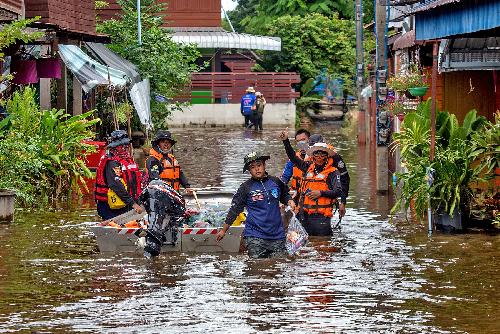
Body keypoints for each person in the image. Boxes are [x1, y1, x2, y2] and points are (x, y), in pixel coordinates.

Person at [216, 151, 296, 258]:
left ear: (264, 165)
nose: (257, 169)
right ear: (249, 171)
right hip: (255, 236)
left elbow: (285, 194)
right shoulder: (245, 188)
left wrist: (289, 201)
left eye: (259, 165)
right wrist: (223, 230)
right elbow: (235, 209)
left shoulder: (276, 182)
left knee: (278, 266)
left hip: (277, 235)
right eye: (253, 167)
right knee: (256, 268)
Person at [280, 128, 344, 236]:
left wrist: (321, 193)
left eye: (322, 154)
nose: (319, 157)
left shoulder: (333, 172)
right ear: (312, 155)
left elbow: (338, 191)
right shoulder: (307, 167)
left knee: (323, 246)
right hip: (304, 215)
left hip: (321, 218)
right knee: (304, 247)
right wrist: (286, 141)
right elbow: (293, 157)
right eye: (316, 154)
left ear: (327, 155)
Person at [94, 130, 144, 220]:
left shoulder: (127, 160)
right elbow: (115, 185)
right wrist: (133, 203)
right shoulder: (112, 162)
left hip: (125, 203)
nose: (125, 148)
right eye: (122, 145)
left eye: (126, 145)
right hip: (111, 206)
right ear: (115, 147)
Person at [145, 130, 193, 194]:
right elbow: (155, 179)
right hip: (160, 195)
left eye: (168, 142)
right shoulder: (152, 160)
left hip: (174, 194)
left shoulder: (172, 158)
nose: (166, 145)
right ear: (157, 144)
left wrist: (187, 186)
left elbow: (180, 174)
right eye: (163, 142)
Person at [280, 129, 311, 201]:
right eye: (298, 141)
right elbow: (285, 177)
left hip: (311, 195)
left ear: (309, 140)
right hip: (296, 195)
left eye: (303, 139)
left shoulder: (317, 157)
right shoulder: (293, 159)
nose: (301, 143)